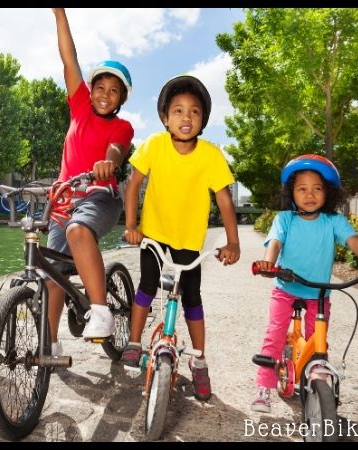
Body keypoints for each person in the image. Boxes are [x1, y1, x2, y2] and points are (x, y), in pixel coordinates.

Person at [122, 75, 241, 401]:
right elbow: (133, 185)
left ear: (202, 119)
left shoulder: (210, 155)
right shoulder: (154, 146)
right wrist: (132, 224)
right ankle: (134, 343)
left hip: (189, 242)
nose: (186, 118)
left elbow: (224, 198)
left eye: (194, 112)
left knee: (192, 299)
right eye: (177, 111)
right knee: (147, 284)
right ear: (165, 117)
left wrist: (233, 242)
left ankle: (199, 361)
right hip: (155, 236)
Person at [250, 154, 358, 413]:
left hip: (319, 293)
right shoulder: (285, 219)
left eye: (317, 188)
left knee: (319, 342)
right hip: (286, 289)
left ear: (329, 193)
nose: (310, 194)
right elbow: (275, 243)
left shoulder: (334, 221)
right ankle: (263, 387)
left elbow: (354, 242)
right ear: (291, 192)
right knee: (275, 334)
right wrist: (269, 262)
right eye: (302, 188)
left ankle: (317, 381)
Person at [49, 8, 134, 355]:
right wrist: (59, 14)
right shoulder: (80, 106)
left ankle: (101, 310)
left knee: (78, 231)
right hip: (63, 202)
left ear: (121, 98)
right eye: (100, 86)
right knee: (51, 273)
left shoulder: (122, 126)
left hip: (99, 197)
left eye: (114, 91)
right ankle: (48, 344)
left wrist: (108, 164)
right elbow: (69, 58)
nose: (104, 94)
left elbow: (116, 149)